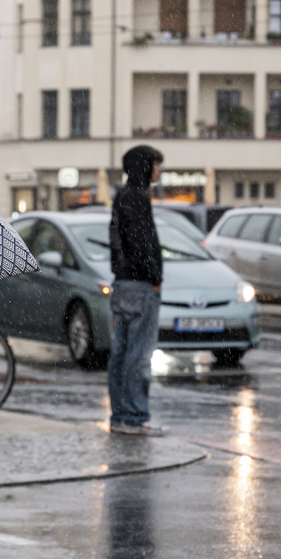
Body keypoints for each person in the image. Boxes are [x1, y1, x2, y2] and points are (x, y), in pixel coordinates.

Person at [107, 146, 169, 437]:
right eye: (156, 165)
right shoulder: (138, 199)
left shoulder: (121, 196)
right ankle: (134, 417)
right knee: (138, 355)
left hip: (121, 284)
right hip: (140, 285)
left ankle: (120, 415)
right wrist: (154, 276)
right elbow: (143, 243)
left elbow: (118, 242)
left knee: (120, 354)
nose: (159, 170)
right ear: (144, 166)